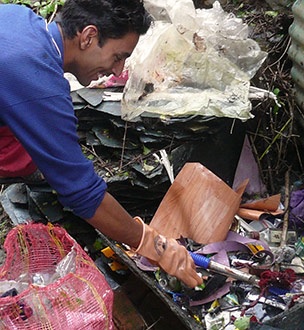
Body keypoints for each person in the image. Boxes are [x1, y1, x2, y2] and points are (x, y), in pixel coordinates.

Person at [0, 0, 202, 288]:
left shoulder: (18, 19)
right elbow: (82, 193)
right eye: (118, 56)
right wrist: (151, 242)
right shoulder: (37, 83)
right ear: (88, 36)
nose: (117, 70)